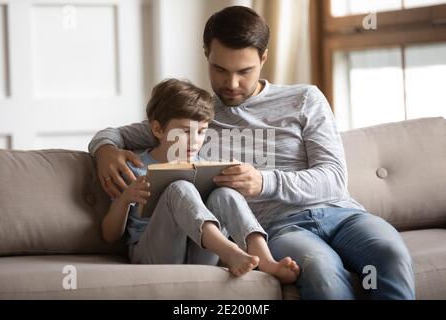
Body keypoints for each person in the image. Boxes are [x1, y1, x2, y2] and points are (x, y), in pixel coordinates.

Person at [89, 6, 415, 299]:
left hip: (344, 215)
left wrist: (263, 182)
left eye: (244, 71)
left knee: (391, 254)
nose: (231, 83)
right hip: (282, 228)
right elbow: (121, 132)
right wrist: (105, 149)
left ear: (263, 58)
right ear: (206, 55)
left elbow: (333, 179)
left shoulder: (305, 99)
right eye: (219, 69)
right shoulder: (198, 115)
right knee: (322, 272)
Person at [101, 78, 300, 283]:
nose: (195, 141)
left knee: (225, 193)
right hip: (154, 255)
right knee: (179, 187)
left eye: (202, 131)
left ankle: (266, 260)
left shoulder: (202, 165)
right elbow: (109, 235)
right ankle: (229, 251)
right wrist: (125, 199)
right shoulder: (134, 167)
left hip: (199, 256)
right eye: (186, 132)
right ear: (158, 130)